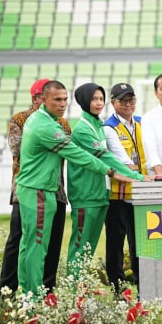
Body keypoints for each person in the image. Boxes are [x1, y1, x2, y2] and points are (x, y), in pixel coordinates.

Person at [16, 80, 136, 295]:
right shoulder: (46, 126)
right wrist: (111, 171)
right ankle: (34, 296)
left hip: (39, 188)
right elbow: (78, 154)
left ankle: (27, 293)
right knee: (37, 245)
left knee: (30, 244)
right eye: (57, 100)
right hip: (39, 190)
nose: (62, 104)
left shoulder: (49, 121)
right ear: (43, 100)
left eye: (64, 100)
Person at [66, 83, 151, 278]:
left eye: (100, 99)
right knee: (80, 247)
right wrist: (137, 176)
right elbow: (107, 157)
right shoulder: (84, 129)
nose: (98, 103)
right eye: (94, 99)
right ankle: (72, 292)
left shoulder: (96, 125)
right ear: (84, 101)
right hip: (85, 195)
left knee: (88, 249)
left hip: (99, 194)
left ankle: (79, 292)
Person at [0, 78, 68, 295]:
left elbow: (68, 150)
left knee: (52, 241)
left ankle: (46, 288)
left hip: (55, 188)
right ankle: (7, 290)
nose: (44, 101)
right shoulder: (20, 119)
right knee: (19, 240)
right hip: (27, 189)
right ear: (36, 97)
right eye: (40, 97)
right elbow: (17, 150)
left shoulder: (62, 122)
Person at [103, 83, 148, 293]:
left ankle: (143, 285)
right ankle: (118, 288)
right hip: (117, 195)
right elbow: (121, 161)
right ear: (113, 103)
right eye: (123, 100)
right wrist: (141, 177)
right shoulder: (108, 127)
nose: (128, 104)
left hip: (140, 193)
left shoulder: (141, 123)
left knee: (140, 242)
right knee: (116, 243)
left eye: (131, 100)